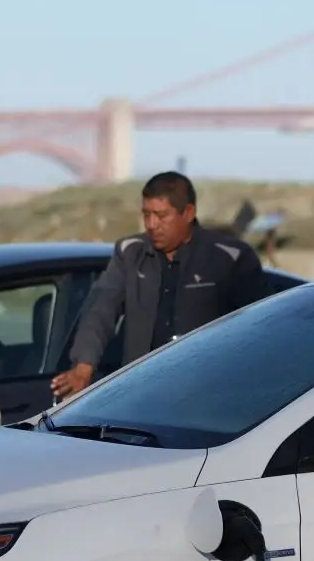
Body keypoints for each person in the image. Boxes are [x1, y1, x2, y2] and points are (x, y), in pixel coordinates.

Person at [50, 171, 267, 400]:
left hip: (208, 394)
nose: (152, 224)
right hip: (140, 393)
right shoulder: (130, 253)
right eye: (147, 215)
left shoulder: (229, 258)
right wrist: (84, 367)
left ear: (188, 213)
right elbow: (101, 310)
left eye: (161, 216)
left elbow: (261, 325)